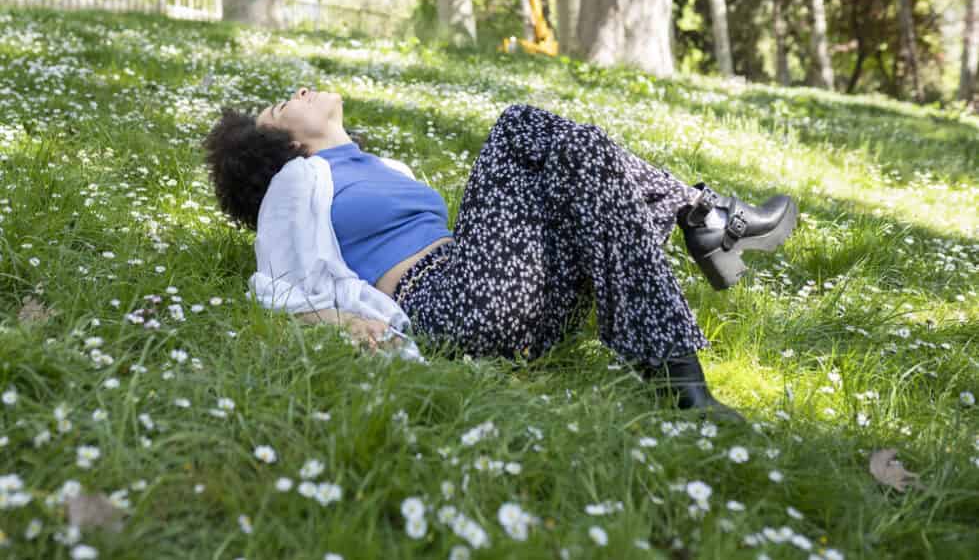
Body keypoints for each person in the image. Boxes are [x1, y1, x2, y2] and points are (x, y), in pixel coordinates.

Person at [203, 88, 798, 422]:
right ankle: (709, 224)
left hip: (517, 298)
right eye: (282, 106)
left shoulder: (385, 169)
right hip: (447, 305)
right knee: (520, 126)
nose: (298, 93)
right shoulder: (298, 184)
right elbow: (282, 285)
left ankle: (682, 359)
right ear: (287, 144)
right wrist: (348, 323)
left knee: (579, 151)